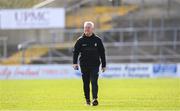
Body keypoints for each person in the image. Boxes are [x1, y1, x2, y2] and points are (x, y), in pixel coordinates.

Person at [73, 21, 106, 106]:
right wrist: (74, 63)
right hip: (84, 65)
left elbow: (102, 53)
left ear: (92, 29)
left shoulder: (98, 40)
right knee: (86, 83)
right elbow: (75, 52)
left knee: (94, 81)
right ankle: (87, 100)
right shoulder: (80, 40)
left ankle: (95, 99)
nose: (86, 29)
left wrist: (104, 65)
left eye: (88, 27)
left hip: (95, 65)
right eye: (85, 27)